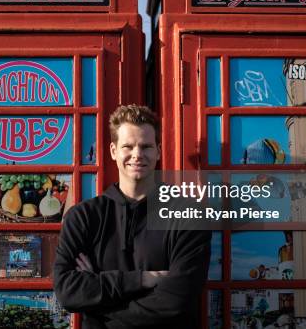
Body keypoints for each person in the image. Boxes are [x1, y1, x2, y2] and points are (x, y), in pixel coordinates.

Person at [53, 104, 211, 328]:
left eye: (146, 146)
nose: (137, 155)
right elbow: (67, 291)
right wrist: (144, 279)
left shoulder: (189, 214)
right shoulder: (83, 217)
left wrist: (97, 306)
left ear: (158, 150)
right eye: (128, 146)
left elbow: (176, 302)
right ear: (113, 151)